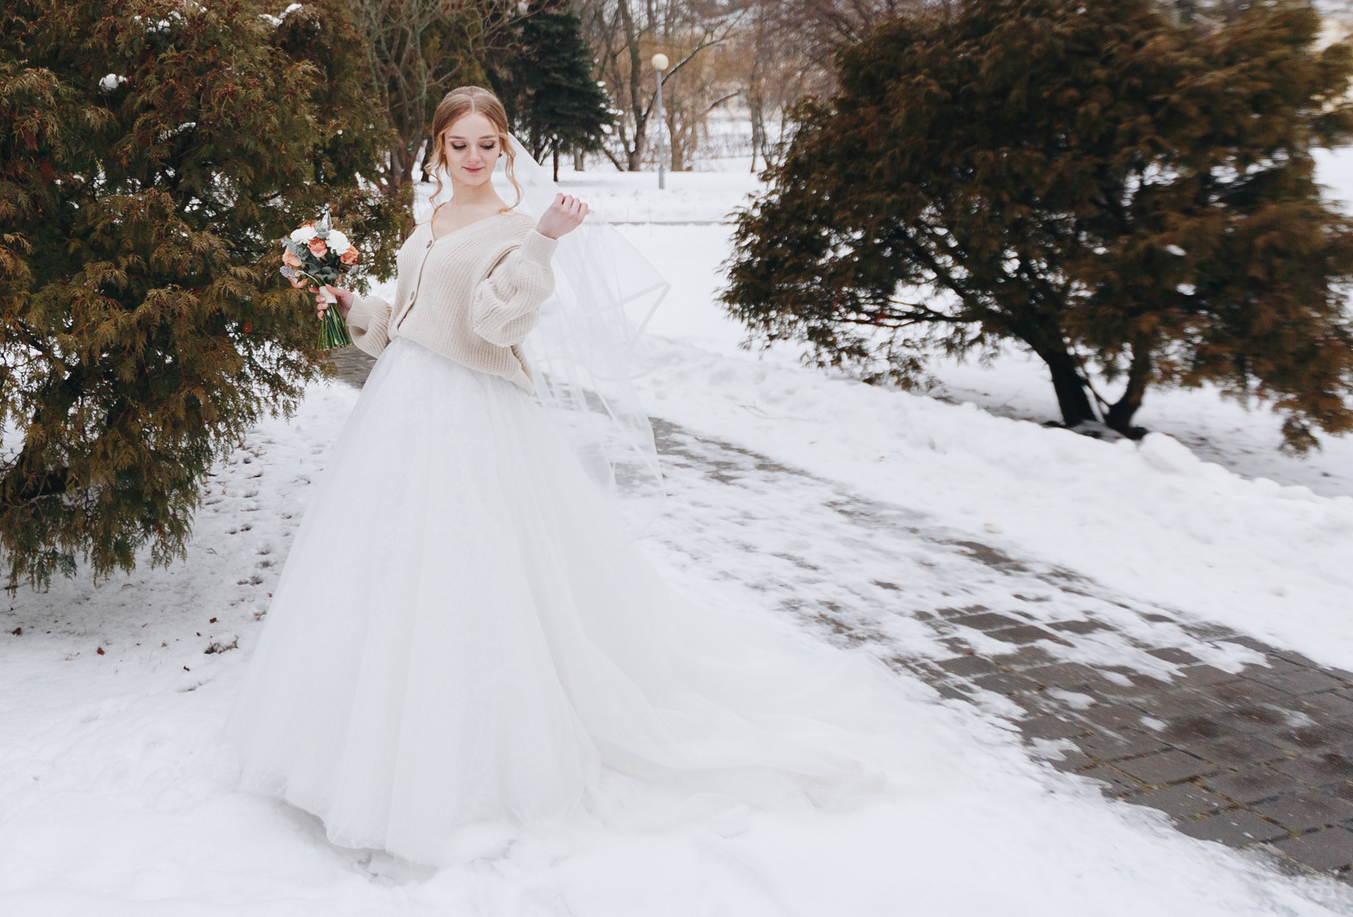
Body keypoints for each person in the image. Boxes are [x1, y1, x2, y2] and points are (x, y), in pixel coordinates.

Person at [226, 85, 874, 864]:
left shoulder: (515, 226)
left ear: (505, 148)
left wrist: (543, 243)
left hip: (476, 412)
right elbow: (402, 322)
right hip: (402, 405)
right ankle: (349, 752)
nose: (472, 157)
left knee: (480, 574)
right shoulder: (425, 220)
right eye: (458, 144)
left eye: (487, 144)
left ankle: (474, 771)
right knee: (386, 568)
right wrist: (345, 301)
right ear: (438, 148)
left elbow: (495, 323)